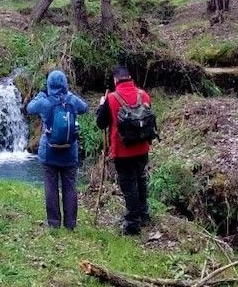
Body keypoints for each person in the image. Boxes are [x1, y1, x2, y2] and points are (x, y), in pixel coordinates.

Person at [26, 70, 88, 230]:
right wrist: (69, 95)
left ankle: (54, 224)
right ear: (65, 84)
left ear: (49, 85)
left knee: (51, 187)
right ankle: (70, 224)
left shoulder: (45, 102)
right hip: (70, 152)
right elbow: (85, 108)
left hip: (49, 152)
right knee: (70, 187)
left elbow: (30, 108)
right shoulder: (72, 100)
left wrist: (41, 95)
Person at [96, 66, 153, 235]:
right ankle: (144, 215)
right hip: (143, 148)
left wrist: (101, 106)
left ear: (116, 80)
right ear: (129, 77)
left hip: (123, 151)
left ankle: (132, 224)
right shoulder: (143, 95)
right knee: (140, 180)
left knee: (129, 187)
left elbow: (100, 123)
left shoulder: (112, 98)